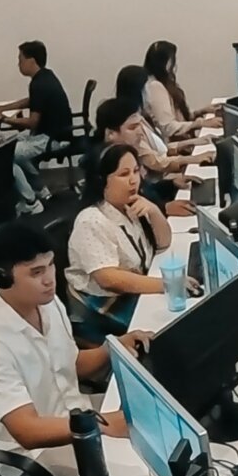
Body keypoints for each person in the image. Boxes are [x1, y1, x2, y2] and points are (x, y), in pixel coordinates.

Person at [0, 220, 147, 476]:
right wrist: (103, 424)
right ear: (3, 277)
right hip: (35, 453)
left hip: (75, 411)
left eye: (51, 265)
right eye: (36, 272)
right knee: (136, 475)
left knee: (150, 416)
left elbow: (71, 365)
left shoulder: (47, 304)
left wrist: (114, 347)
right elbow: (27, 431)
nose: (50, 279)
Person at [67, 144, 177, 339]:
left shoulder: (128, 205)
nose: (134, 180)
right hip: (105, 309)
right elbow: (109, 279)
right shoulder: (91, 220)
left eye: (135, 171)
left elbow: (164, 242)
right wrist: (168, 284)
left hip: (131, 294)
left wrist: (154, 210)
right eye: (124, 174)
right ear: (102, 180)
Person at [0, 40, 71, 201]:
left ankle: (30, 199)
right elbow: (32, 101)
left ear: (31, 60)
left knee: (5, 156)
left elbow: (32, 123)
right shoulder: (46, 76)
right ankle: (40, 189)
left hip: (51, 138)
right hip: (50, 134)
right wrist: (1, 108)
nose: (18, 64)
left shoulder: (39, 84)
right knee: (8, 146)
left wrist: (3, 118)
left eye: (20, 59)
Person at [96, 95, 194, 211]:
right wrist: (164, 208)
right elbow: (129, 207)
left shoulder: (127, 152)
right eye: (132, 128)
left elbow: (145, 191)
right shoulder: (104, 165)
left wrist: (172, 184)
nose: (140, 133)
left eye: (139, 126)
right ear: (110, 134)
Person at [139, 40, 219, 141]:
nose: (174, 64)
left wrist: (200, 111)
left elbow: (178, 116)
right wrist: (200, 123)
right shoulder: (155, 86)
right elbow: (168, 127)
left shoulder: (164, 82)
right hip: (177, 144)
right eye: (172, 60)